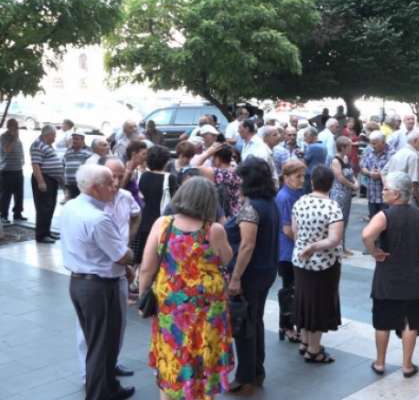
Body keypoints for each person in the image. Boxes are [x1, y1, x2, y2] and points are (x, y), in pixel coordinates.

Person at [138, 177, 234, 400]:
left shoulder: (163, 224)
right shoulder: (214, 230)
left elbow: (146, 268)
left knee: (172, 355)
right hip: (207, 310)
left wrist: (144, 296)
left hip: (171, 306)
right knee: (203, 355)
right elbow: (227, 258)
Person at [60, 164, 135, 400]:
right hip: (98, 286)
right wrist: (130, 257)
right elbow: (122, 255)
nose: (114, 187)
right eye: (109, 183)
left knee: (105, 341)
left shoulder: (73, 206)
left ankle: (109, 387)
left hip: (83, 282)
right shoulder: (98, 218)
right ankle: (98, 394)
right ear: (94, 188)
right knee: (101, 345)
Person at [75, 158, 140, 384]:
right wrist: (125, 256)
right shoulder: (92, 211)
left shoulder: (124, 197)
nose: (116, 180)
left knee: (116, 325)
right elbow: (117, 253)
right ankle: (91, 375)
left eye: (120, 175)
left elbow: (136, 214)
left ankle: (108, 368)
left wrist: (128, 241)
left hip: (116, 272)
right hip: (97, 277)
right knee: (92, 332)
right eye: (111, 176)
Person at [362, 172, 419, 378]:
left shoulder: (385, 215)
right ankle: (407, 365)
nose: (383, 192)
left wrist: (374, 251)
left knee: (383, 319)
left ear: (396, 194)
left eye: (386, 189)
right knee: (412, 321)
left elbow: (367, 234)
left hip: (389, 274)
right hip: (415, 273)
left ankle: (380, 363)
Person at [227, 157, 280, 394]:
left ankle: (246, 375)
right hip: (266, 270)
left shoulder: (252, 208)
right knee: (254, 320)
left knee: (245, 324)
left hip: (251, 273)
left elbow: (247, 245)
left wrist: (236, 277)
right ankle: (256, 370)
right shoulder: (269, 202)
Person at [292, 165, 344, 364]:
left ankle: (305, 342)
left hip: (300, 261)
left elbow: (296, 232)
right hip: (325, 264)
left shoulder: (300, 202)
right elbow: (334, 240)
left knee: (304, 300)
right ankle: (314, 350)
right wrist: (314, 247)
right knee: (319, 304)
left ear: (312, 181)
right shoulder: (332, 206)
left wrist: (305, 247)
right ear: (331, 184)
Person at [275, 160, 306, 343]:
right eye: (298, 176)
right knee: (289, 290)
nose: (301, 180)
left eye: (303, 176)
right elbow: (287, 229)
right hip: (288, 252)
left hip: (297, 248)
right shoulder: (284, 197)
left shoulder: (298, 192)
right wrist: (305, 244)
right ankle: (286, 326)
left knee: (296, 289)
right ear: (286, 177)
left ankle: (292, 323)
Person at [133, 146, 177, 264]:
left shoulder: (143, 176)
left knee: (142, 260)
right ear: (165, 161)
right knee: (159, 260)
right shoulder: (170, 178)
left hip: (143, 223)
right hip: (162, 223)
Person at [30, 125, 64, 243]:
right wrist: (41, 182)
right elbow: (35, 165)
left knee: (50, 207)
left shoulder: (47, 145)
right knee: (43, 208)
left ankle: (47, 232)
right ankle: (41, 235)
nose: (55, 138)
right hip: (44, 179)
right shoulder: (37, 145)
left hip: (51, 179)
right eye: (54, 135)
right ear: (48, 134)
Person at [330, 136, 358, 254]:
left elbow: (350, 173)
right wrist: (353, 185)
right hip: (339, 194)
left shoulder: (346, 158)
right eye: (349, 146)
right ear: (342, 147)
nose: (351, 148)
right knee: (338, 220)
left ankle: (343, 246)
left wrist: (356, 181)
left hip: (347, 193)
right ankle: (336, 247)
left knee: (345, 220)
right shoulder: (335, 161)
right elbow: (339, 177)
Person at [383, 130, 419, 208]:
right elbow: (414, 183)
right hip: (406, 200)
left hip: (393, 197)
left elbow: (383, 172)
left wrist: (388, 188)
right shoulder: (413, 156)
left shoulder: (398, 153)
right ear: (415, 141)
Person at [360, 131, 394, 217]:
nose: (372, 146)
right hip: (372, 194)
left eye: (374, 144)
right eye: (371, 143)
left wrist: (380, 174)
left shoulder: (392, 152)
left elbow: (394, 171)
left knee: (386, 223)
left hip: (386, 196)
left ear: (383, 142)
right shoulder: (368, 150)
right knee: (373, 221)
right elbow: (363, 166)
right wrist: (369, 173)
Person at [0, 118, 26, 223]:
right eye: (14, 126)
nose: (16, 128)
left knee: (19, 193)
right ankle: (3, 215)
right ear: (9, 126)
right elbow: (7, 150)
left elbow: (20, 150)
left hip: (18, 169)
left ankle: (18, 213)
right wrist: (14, 138)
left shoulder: (17, 137)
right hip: (7, 170)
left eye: (17, 126)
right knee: (6, 194)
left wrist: (22, 160)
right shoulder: (4, 137)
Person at [240, 120, 278, 186]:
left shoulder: (258, 144)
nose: (238, 131)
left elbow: (262, 168)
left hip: (262, 186)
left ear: (246, 129)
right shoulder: (245, 144)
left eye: (239, 128)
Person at [212, 144, 242, 217]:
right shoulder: (238, 171)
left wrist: (208, 153)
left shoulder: (217, 172)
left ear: (218, 158)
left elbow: (193, 167)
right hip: (237, 211)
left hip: (223, 213)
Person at [62, 132, 92, 199]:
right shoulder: (68, 151)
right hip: (69, 185)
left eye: (76, 139)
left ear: (82, 140)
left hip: (82, 185)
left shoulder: (88, 151)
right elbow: (63, 166)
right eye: (73, 139)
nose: (74, 141)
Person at [303, 127, 327, 193]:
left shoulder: (311, 147)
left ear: (312, 136)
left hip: (310, 176)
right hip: (320, 174)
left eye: (305, 136)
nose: (304, 139)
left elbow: (304, 162)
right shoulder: (323, 145)